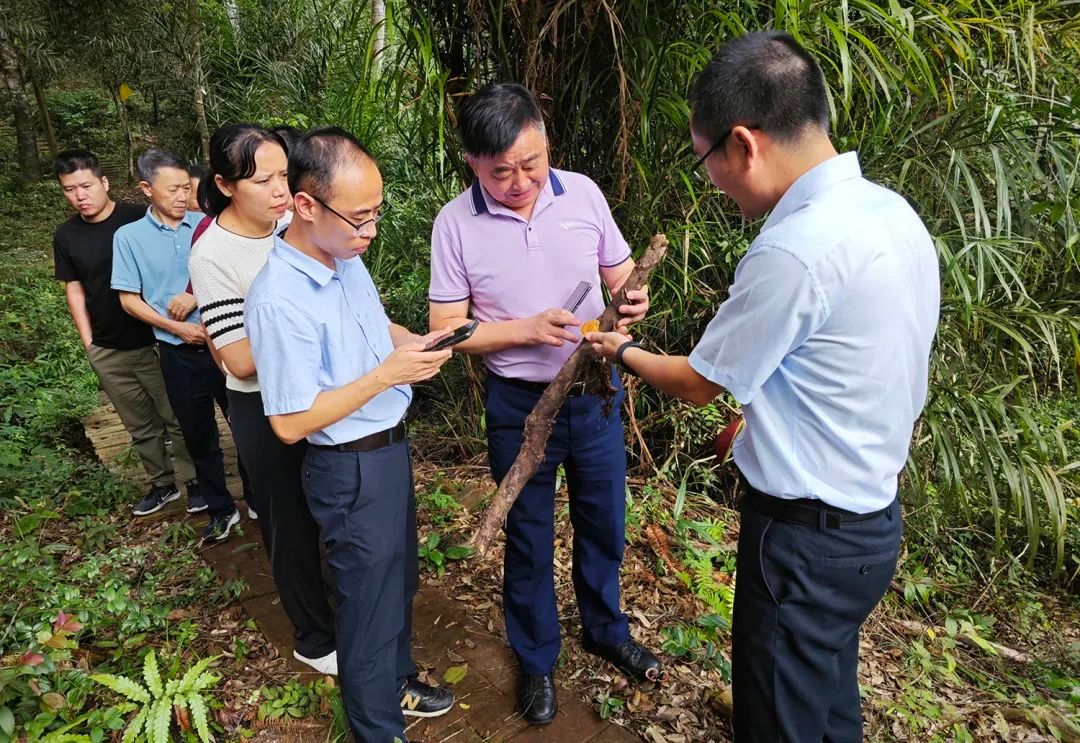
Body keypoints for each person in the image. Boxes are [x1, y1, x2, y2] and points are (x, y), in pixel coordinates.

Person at [587, 32, 939, 742]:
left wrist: (621, 349)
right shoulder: (891, 214)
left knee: (778, 717)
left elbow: (697, 383)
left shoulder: (793, 248)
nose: (711, 181)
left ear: (742, 144)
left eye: (705, 160)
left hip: (803, 543)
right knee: (826, 698)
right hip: (870, 522)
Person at [427, 83, 659, 726]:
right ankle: (536, 659)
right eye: (500, 172)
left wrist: (630, 299)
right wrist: (524, 330)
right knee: (527, 537)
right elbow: (448, 327)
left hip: (595, 396)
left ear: (544, 140)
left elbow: (620, 274)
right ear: (472, 162)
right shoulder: (455, 224)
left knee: (604, 522)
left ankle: (606, 631)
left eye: (532, 164)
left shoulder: (582, 192)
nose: (520, 181)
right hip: (518, 406)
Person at [246, 126, 456, 741]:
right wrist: (385, 375)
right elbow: (288, 422)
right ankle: (377, 728)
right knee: (364, 612)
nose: (370, 232)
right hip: (347, 466)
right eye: (359, 219)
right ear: (306, 206)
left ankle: (397, 685)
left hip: (387, 451)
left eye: (376, 215)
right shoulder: (278, 299)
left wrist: (409, 343)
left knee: (396, 584)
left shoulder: (342, 257)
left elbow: (369, 321)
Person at [188, 123, 336, 674]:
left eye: (283, 175)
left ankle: (342, 609)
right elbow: (239, 359)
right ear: (225, 185)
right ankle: (315, 639)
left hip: (321, 393)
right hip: (263, 404)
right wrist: (305, 325)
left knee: (327, 510)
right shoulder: (213, 255)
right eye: (263, 180)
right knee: (288, 522)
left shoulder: (291, 224)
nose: (280, 191)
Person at [51, 149, 200, 517]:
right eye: (70, 190)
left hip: (155, 340)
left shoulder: (140, 219)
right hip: (107, 346)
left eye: (86, 185)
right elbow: (75, 289)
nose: (79, 195)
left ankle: (197, 481)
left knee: (176, 417)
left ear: (104, 183)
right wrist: (89, 344)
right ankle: (162, 484)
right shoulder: (66, 235)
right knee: (139, 425)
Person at [111, 148, 240, 542]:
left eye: (187, 187)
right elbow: (129, 299)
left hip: (228, 345)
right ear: (146, 189)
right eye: (172, 189)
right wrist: (174, 327)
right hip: (177, 352)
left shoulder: (209, 224)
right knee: (198, 434)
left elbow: (237, 273)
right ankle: (221, 508)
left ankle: (259, 496)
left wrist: (198, 297)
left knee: (245, 424)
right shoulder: (129, 237)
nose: (182, 196)